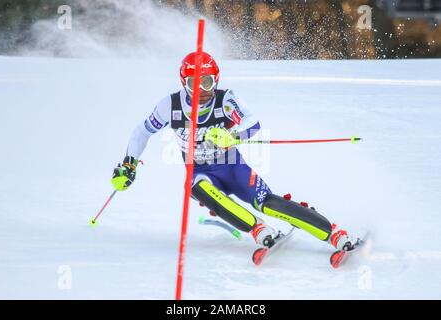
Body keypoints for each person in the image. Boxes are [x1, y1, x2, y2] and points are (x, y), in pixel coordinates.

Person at [111, 51, 354, 251]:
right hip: (200, 171)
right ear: (183, 82)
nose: (202, 89)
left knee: (266, 204)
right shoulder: (170, 106)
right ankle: (257, 229)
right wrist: (129, 163)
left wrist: (231, 137)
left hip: (232, 167)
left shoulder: (225, 99)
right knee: (195, 187)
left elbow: (253, 124)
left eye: (207, 82)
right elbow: (142, 132)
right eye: (194, 83)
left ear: (216, 79)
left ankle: (333, 233)